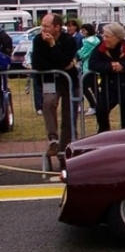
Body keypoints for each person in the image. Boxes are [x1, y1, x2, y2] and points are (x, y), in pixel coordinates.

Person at [32, 13, 79, 160]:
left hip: (70, 81)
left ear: (57, 27)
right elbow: (38, 64)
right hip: (50, 81)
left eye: (46, 26)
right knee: (48, 102)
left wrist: (53, 46)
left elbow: (65, 61)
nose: (43, 28)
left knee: (69, 116)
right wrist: (61, 64)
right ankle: (53, 139)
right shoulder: (38, 40)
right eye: (42, 25)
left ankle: (65, 150)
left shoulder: (69, 40)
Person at [88, 23, 125, 133]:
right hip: (109, 88)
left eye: (107, 36)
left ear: (116, 37)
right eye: (104, 36)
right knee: (101, 111)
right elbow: (93, 63)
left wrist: (124, 66)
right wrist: (110, 66)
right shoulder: (101, 47)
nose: (104, 39)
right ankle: (104, 136)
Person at [77, 23, 99, 116]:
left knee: (83, 87)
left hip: (88, 67)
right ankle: (99, 106)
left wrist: (79, 51)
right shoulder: (96, 39)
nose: (82, 32)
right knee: (95, 88)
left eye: (84, 30)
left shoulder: (87, 42)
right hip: (94, 67)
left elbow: (82, 55)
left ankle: (93, 105)